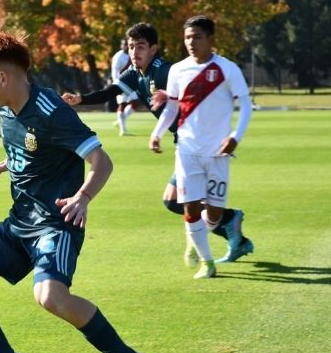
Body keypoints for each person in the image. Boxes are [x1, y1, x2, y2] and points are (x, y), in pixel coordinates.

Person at [0, 33, 152, 353]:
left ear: (3, 78)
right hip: (19, 223)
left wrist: (83, 197)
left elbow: (102, 161)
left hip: (56, 223)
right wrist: (5, 164)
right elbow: (29, 148)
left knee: (50, 297)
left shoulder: (51, 109)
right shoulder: (6, 111)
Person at [62, 22, 254, 266]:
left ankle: (228, 222)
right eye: (131, 47)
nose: (134, 52)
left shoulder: (163, 70)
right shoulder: (134, 73)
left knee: (178, 201)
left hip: (198, 143)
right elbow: (111, 91)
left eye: (140, 46)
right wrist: (81, 100)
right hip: (185, 144)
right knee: (176, 201)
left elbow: (190, 92)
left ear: (154, 49)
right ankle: (228, 226)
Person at [149, 16, 253, 279]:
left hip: (218, 152)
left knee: (215, 213)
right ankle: (208, 262)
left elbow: (246, 105)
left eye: (196, 37)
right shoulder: (177, 70)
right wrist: (157, 133)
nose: (191, 42)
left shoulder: (227, 69)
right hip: (187, 149)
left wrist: (235, 136)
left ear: (210, 39)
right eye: (187, 37)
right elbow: (172, 106)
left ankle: (194, 239)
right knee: (190, 207)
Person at [111, 39, 139, 136]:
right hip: (120, 83)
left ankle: (119, 122)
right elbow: (114, 71)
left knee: (135, 102)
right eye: (124, 44)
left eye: (127, 44)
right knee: (122, 104)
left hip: (130, 84)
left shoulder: (131, 55)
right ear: (121, 45)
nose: (126, 46)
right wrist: (117, 84)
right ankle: (123, 130)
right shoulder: (118, 56)